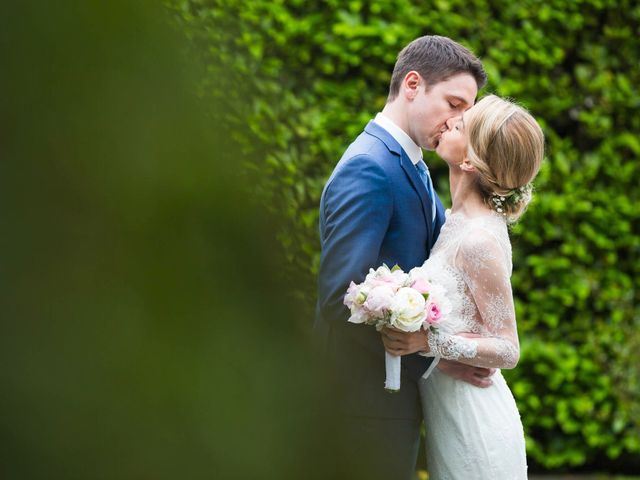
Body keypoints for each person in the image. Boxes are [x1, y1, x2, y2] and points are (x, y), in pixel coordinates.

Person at [315, 36, 488, 480]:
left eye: (466, 112)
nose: (458, 122)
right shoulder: (370, 166)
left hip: (394, 403)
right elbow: (341, 295)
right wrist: (429, 350)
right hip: (365, 408)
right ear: (412, 84)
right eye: (453, 104)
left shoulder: (412, 165)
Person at [383, 94, 545, 478]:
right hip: (447, 416)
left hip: (476, 427)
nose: (449, 121)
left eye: (462, 125)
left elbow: (508, 348)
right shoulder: (453, 219)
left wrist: (429, 344)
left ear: (470, 161)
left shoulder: (479, 239)